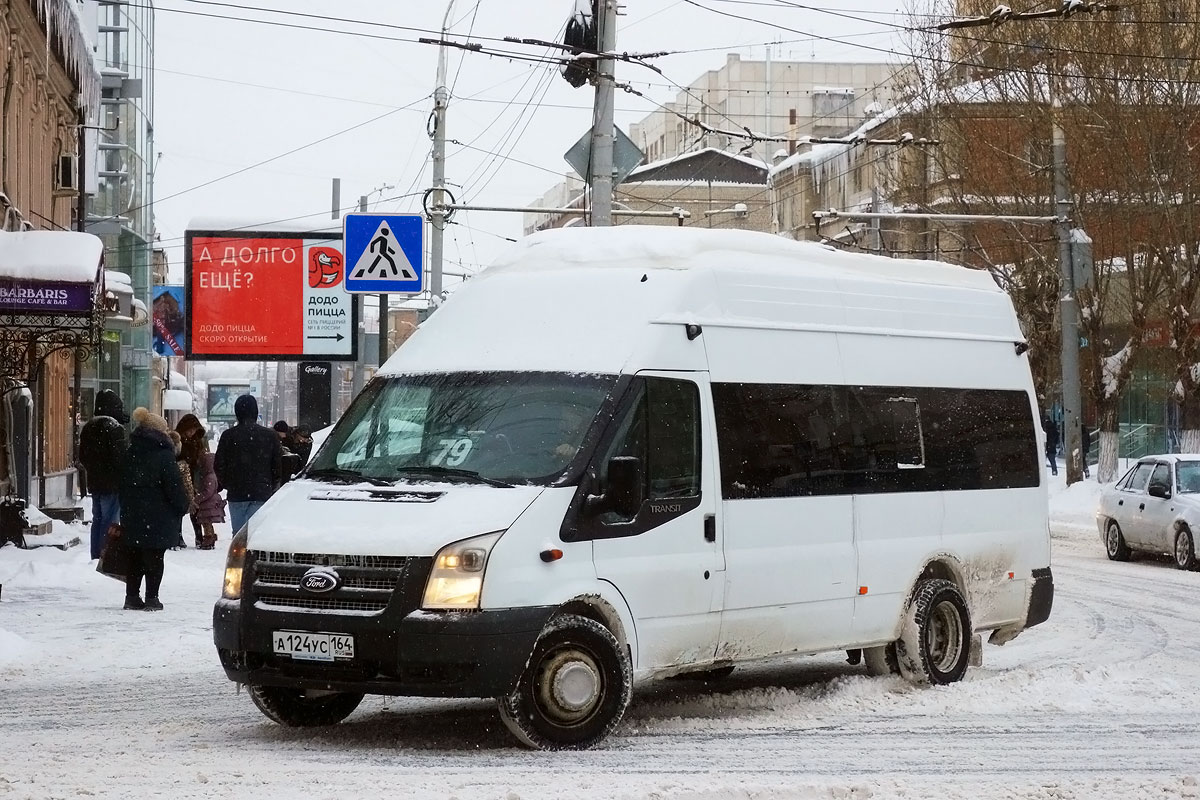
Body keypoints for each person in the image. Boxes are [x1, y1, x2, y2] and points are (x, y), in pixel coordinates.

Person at [118, 408, 191, 611]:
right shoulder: (164, 455)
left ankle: (131, 597)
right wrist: (182, 505)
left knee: (134, 556)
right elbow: (173, 486)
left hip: (132, 513)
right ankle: (152, 598)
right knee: (154, 558)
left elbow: (121, 482)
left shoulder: (131, 451)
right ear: (159, 432)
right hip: (157, 516)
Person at [215, 395, 283, 534]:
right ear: (256, 411)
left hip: (237, 493)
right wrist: (269, 484)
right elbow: (277, 466)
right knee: (256, 535)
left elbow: (219, 465)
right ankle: (254, 556)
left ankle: (240, 555)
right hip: (261, 492)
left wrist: (229, 483)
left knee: (239, 535)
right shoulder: (270, 436)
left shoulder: (228, 436)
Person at [78, 390, 129, 560]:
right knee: (110, 521)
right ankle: (105, 556)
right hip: (112, 484)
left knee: (98, 519)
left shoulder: (89, 427)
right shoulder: (114, 428)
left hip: (95, 483)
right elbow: (120, 458)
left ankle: (95, 554)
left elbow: (82, 457)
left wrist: (94, 470)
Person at [177, 414, 225, 550]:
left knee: (196, 510)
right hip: (181, 478)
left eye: (194, 430)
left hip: (196, 478)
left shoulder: (199, 441)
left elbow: (205, 458)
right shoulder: (178, 440)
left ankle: (200, 537)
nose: (191, 433)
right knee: (180, 508)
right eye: (189, 430)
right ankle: (178, 536)